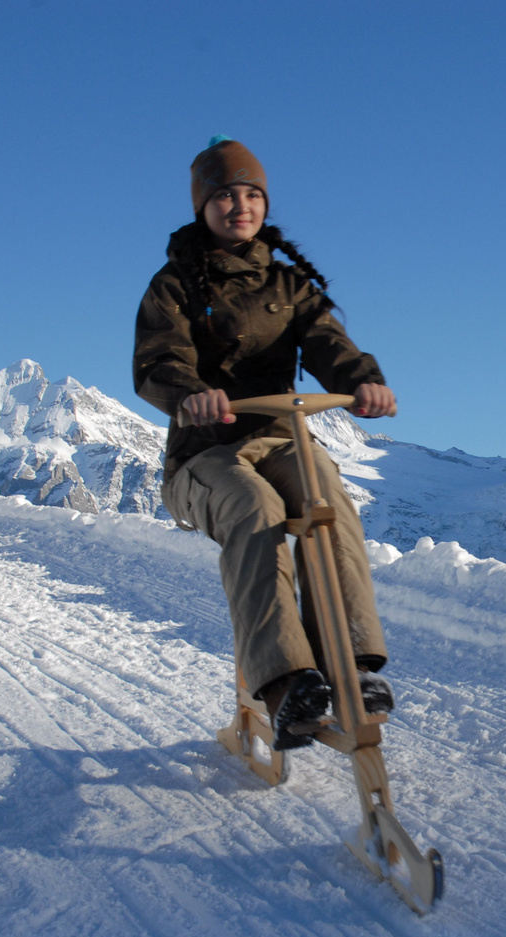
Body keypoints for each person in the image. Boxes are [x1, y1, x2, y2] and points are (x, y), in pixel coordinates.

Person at [133, 136, 395, 747]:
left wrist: (362, 383)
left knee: (326, 495)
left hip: (279, 437)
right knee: (258, 509)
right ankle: (285, 684)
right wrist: (189, 394)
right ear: (203, 206)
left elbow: (327, 341)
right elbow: (157, 361)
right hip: (205, 454)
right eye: (225, 195)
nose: (240, 206)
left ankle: (351, 663)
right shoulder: (174, 284)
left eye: (252, 194)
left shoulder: (288, 283)